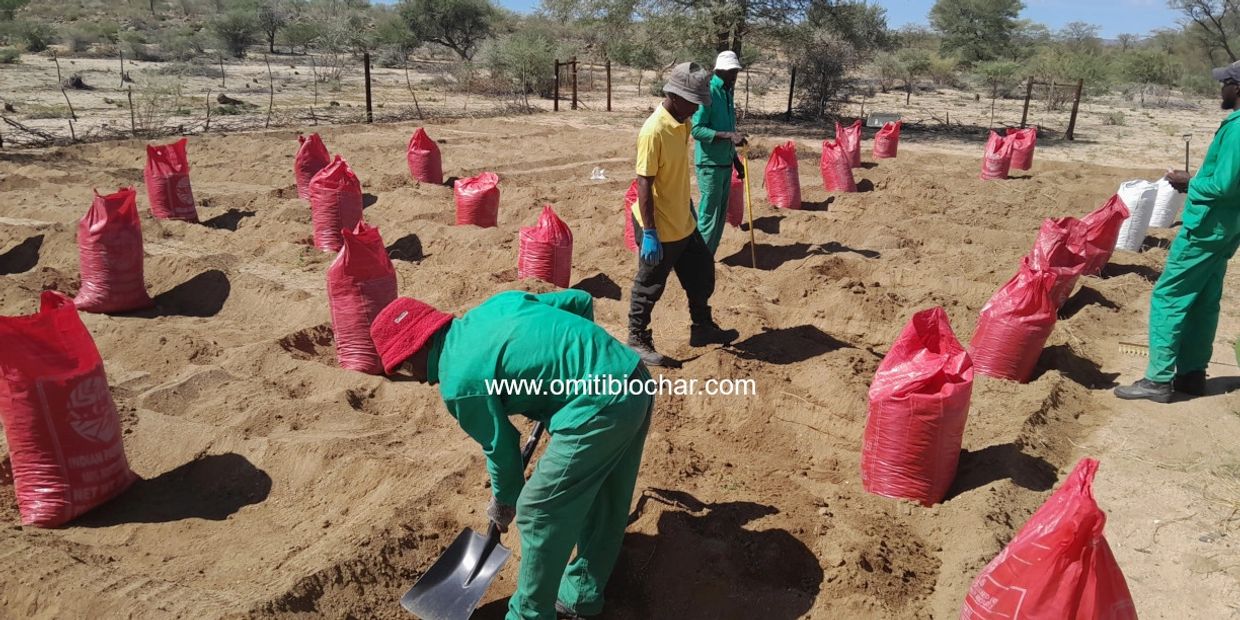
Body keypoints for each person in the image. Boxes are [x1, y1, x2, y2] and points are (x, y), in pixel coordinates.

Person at [370, 289, 653, 620]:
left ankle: (528, 615)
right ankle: (581, 596)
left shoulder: (458, 382)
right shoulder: (493, 306)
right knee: (607, 498)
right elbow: (579, 302)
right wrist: (560, 378)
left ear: (415, 352)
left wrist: (503, 505)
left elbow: (503, 454)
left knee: (537, 510)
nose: (415, 380)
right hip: (633, 377)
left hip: (599, 409)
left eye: (404, 369)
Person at [1114, 60, 1240, 403]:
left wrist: (1189, 182)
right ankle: (1191, 374)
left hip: (1205, 228)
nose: (1221, 90)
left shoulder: (1237, 128)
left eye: (1225, 83)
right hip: (1226, 229)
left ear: (1238, 89)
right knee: (1202, 301)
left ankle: (1157, 380)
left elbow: (1226, 186)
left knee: (1169, 296)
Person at [629, 61, 738, 367]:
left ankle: (702, 327)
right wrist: (649, 233)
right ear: (675, 96)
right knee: (650, 284)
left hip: (684, 219)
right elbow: (644, 184)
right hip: (659, 225)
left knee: (702, 272)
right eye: (694, 103)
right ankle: (637, 339)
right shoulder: (653, 131)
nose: (696, 110)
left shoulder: (684, 122)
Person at [691, 50, 749, 255]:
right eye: (732, 71)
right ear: (721, 71)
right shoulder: (709, 92)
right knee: (708, 216)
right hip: (710, 164)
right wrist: (727, 136)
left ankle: (708, 257)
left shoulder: (727, 92)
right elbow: (697, 129)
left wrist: (736, 161)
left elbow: (730, 130)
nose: (735, 75)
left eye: (736, 71)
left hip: (725, 164)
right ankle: (697, 260)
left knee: (720, 216)